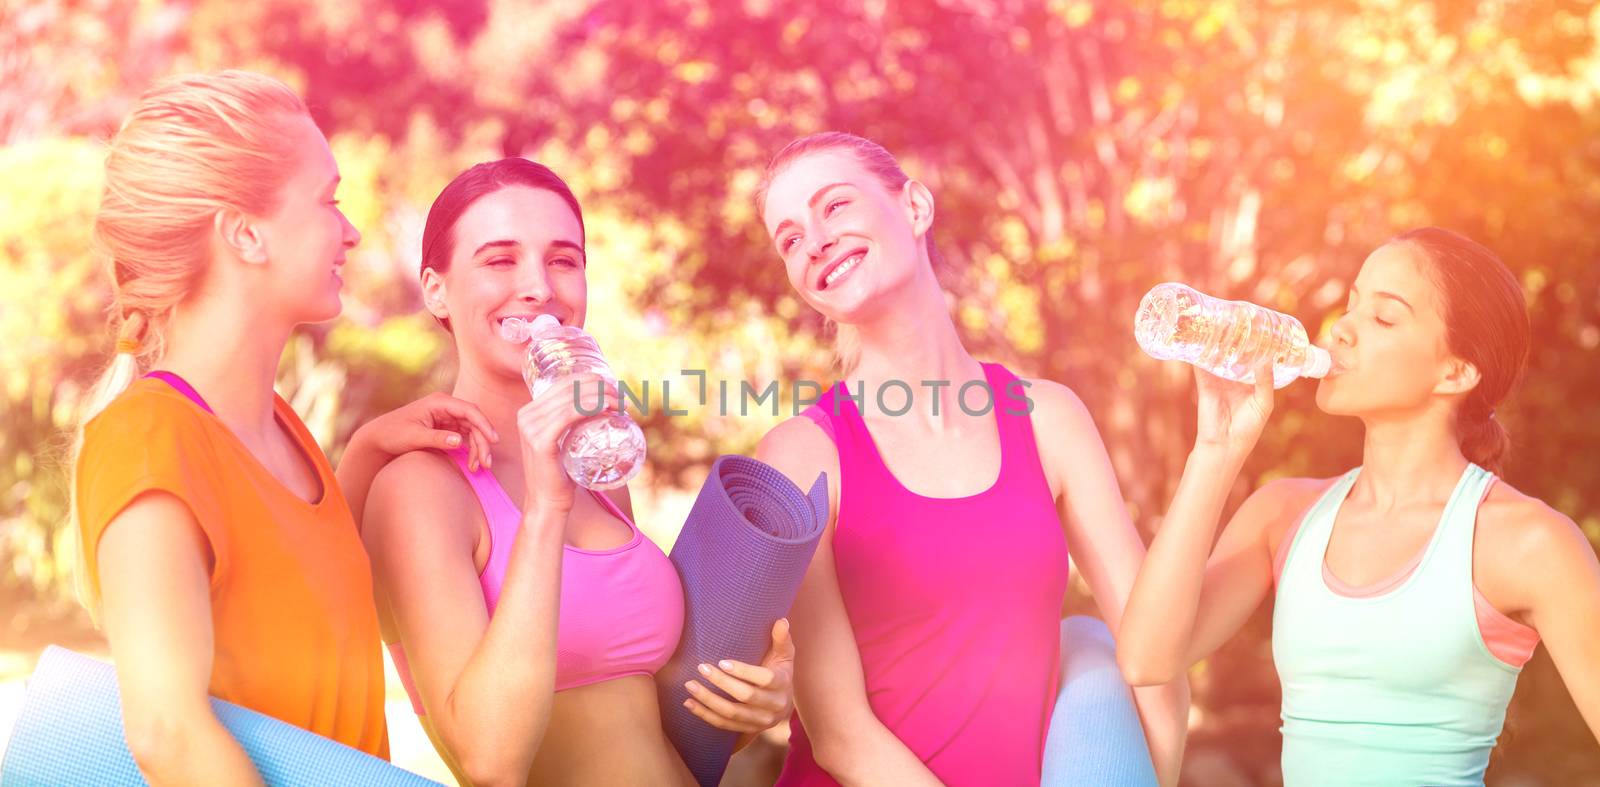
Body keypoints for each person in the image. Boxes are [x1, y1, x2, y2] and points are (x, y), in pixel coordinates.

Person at [72, 70, 495, 783]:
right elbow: (167, 731)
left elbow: (299, 592)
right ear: (244, 233)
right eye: (329, 200)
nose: (352, 230)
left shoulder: (281, 427)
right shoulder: (150, 439)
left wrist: (362, 454)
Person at [752, 132, 1190, 786]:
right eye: (789, 238)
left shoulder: (1049, 420)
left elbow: (1153, 653)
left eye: (835, 206)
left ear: (916, 207)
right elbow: (840, 733)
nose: (813, 240)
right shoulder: (800, 454)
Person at [359, 158, 796, 787]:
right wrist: (544, 510)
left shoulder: (599, 469)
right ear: (435, 289)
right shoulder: (421, 490)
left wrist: (758, 703)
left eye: (563, 260)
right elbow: (491, 761)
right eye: (500, 260)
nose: (539, 286)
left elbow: (647, 726)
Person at [1118, 227, 1600, 785]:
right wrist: (1215, 451)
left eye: (1383, 318)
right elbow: (1145, 660)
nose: (1341, 330)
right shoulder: (1283, 515)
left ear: (1456, 372)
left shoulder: (1525, 542)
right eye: (1351, 305)